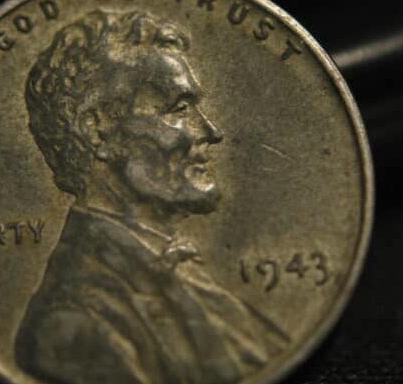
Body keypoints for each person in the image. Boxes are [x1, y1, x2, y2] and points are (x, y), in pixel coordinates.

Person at [15, 10, 288, 384]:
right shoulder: (77, 323)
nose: (209, 131)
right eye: (178, 109)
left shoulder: (177, 275)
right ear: (97, 131)